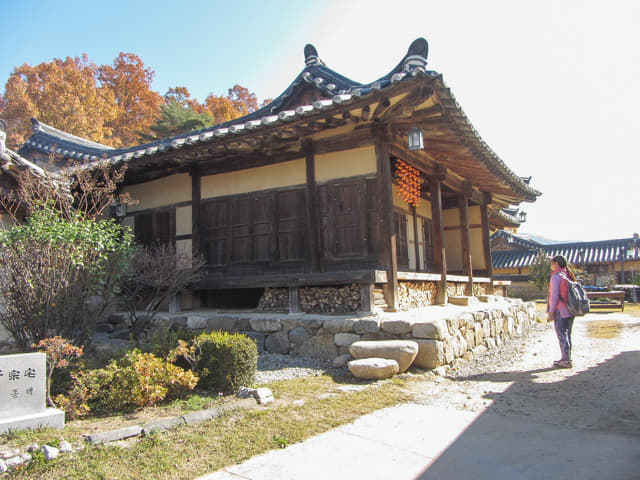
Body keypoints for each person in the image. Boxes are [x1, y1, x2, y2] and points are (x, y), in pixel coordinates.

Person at [547, 255, 577, 368]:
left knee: (562, 335)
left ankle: (566, 360)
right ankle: (567, 358)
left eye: (552, 262)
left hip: (561, 310)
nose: (551, 265)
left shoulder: (556, 277)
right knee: (567, 335)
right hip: (570, 309)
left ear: (556, 263)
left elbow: (554, 296)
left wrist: (551, 311)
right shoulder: (568, 274)